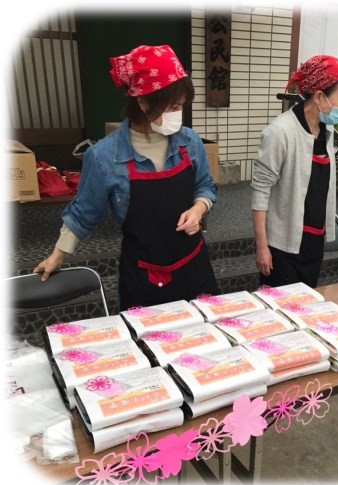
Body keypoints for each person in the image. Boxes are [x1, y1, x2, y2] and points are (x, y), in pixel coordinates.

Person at [34, 44, 218, 310]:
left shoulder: (189, 142)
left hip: (194, 262)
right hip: (145, 272)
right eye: (172, 107)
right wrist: (57, 256)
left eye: (181, 107)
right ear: (142, 101)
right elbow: (84, 212)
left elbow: (205, 185)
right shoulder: (104, 156)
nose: (178, 114)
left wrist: (199, 208)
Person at [251, 54, 338, 288]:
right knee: (281, 305)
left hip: (313, 239)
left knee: (307, 302)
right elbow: (260, 191)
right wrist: (262, 246)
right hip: (282, 245)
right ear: (319, 96)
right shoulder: (280, 132)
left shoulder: (326, 129)